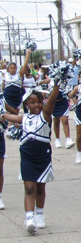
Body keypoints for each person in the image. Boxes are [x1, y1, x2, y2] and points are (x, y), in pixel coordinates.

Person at [1, 88, 60, 233]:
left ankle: (39, 215)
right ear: (26, 104)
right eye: (32, 102)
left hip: (43, 158)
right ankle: (29, 218)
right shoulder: (24, 118)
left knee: (40, 188)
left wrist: (57, 85)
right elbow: (8, 117)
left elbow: (51, 100)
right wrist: (2, 115)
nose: (37, 105)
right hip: (27, 158)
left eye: (39, 102)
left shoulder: (45, 116)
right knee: (29, 188)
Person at [4, 48, 31, 114]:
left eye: (14, 68)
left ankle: (14, 124)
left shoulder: (19, 75)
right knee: (9, 114)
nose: (13, 69)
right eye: (11, 68)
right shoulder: (5, 75)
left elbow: (25, 65)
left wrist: (28, 54)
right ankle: (10, 124)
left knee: (16, 114)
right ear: (8, 69)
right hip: (8, 97)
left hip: (17, 97)